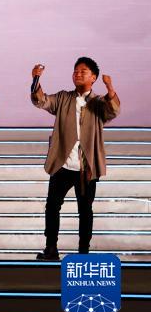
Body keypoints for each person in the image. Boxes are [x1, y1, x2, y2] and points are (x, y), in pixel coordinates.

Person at [32, 57, 120, 261]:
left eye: (83, 71)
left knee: (85, 210)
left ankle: (83, 253)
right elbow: (41, 100)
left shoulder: (99, 102)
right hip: (62, 163)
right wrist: (36, 80)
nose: (78, 74)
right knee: (52, 206)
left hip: (86, 167)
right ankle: (51, 249)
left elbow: (113, 111)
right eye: (76, 71)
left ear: (93, 77)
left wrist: (110, 88)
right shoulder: (63, 97)